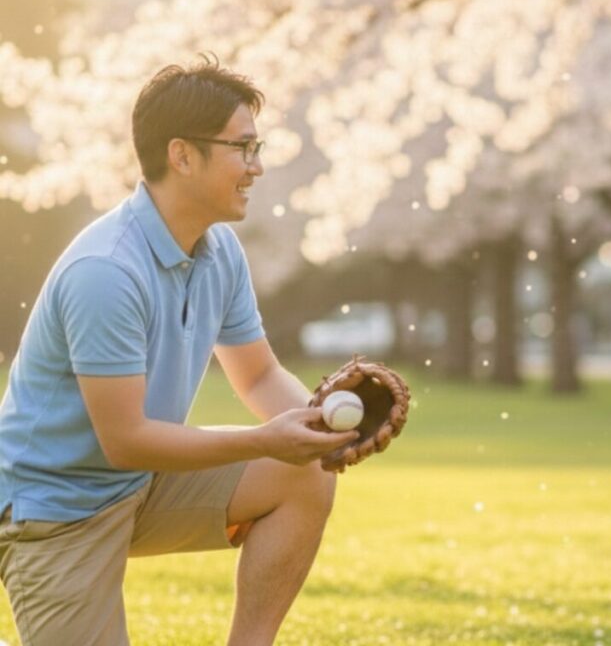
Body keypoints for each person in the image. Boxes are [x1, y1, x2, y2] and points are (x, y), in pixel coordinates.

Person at [0, 56, 361, 646]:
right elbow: (126, 440)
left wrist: (319, 426)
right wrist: (264, 440)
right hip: (55, 514)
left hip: (141, 485)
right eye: (242, 148)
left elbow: (260, 372)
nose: (258, 166)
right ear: (182, 154)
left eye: (257, 147)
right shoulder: (107, 270)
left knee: (306, 476)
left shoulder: (218, 250)